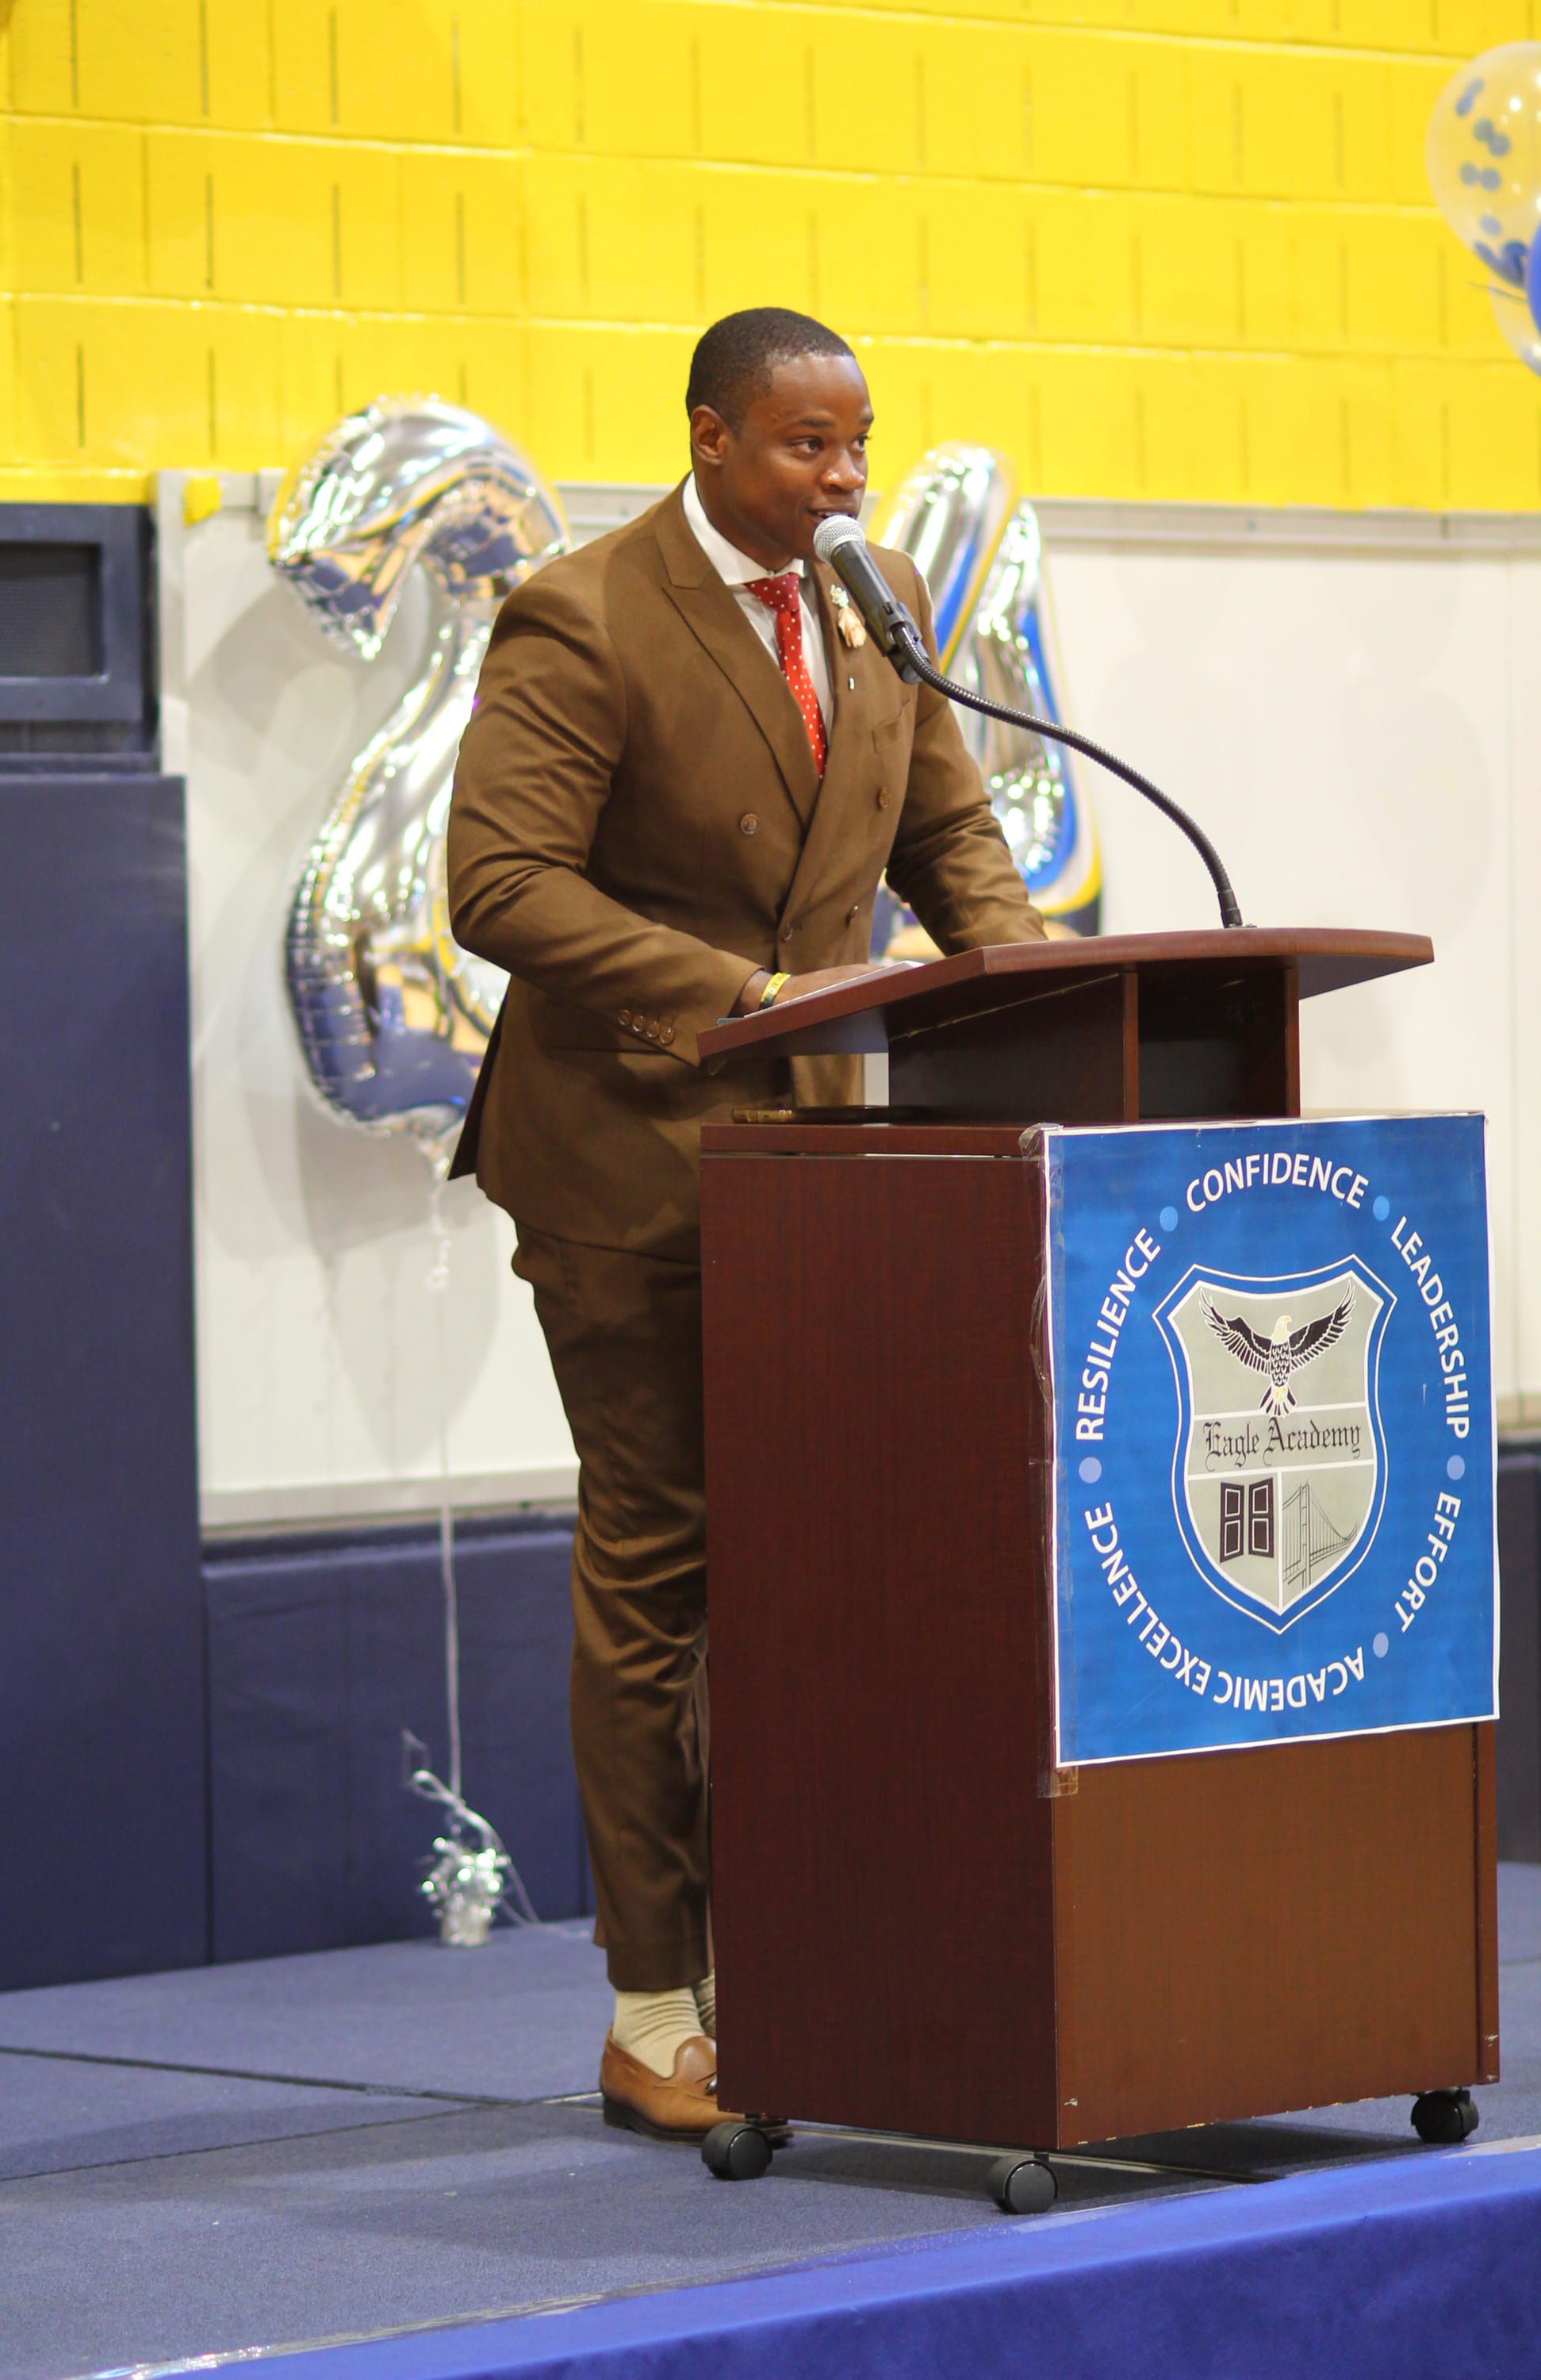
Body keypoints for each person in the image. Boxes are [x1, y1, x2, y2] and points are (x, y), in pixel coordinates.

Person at [447, 306, 1045, 2142]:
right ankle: (653, 2009)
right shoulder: (585, 611)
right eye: (808, 446)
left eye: (859, 443)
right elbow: (498, 881)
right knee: (660, 1582)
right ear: (711, 438)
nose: (846, 477)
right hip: (627, 1172)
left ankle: (806, 1961)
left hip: (825, 1186)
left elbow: (952, 851)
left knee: (817, 1582)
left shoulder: (871, 607)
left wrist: (1042, 1001)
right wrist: (739, 995)